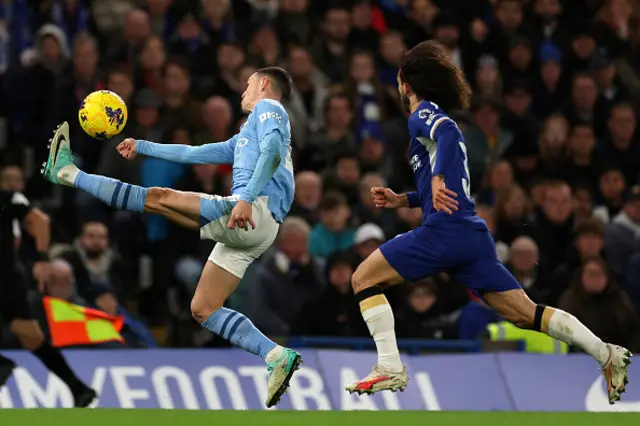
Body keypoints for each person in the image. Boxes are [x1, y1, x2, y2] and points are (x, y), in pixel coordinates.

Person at [345, 41, 631, 405]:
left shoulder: (423, 114)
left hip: (445, 233)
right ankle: (606, 354)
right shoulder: (429, 126)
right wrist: (406, 199)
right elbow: (446, 182)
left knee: (363, 279)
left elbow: (447, 133)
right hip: (470, 234)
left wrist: (438, 179)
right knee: (526, 314)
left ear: (406, 84)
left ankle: (389, 365)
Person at [40, 67, 300, 408]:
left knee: (159, 198)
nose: (243, 91)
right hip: (258, 225)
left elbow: (273, 155)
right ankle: (275, 355)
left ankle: (68, 173)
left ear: (264, 84)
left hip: (253, 208)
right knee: (204, 308)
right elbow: (196, 153)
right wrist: (144, 146)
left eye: (248, 83)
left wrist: (248, 199)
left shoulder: (271, 109)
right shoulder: (249, 131)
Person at [0, 190, 96, 407]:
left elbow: (39, 221)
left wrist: (42, 260)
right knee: (30, 335)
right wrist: (41, 258)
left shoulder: (7, 197)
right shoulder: (10, 197)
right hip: (12, 276)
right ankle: (77, 388)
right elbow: (40, 220)